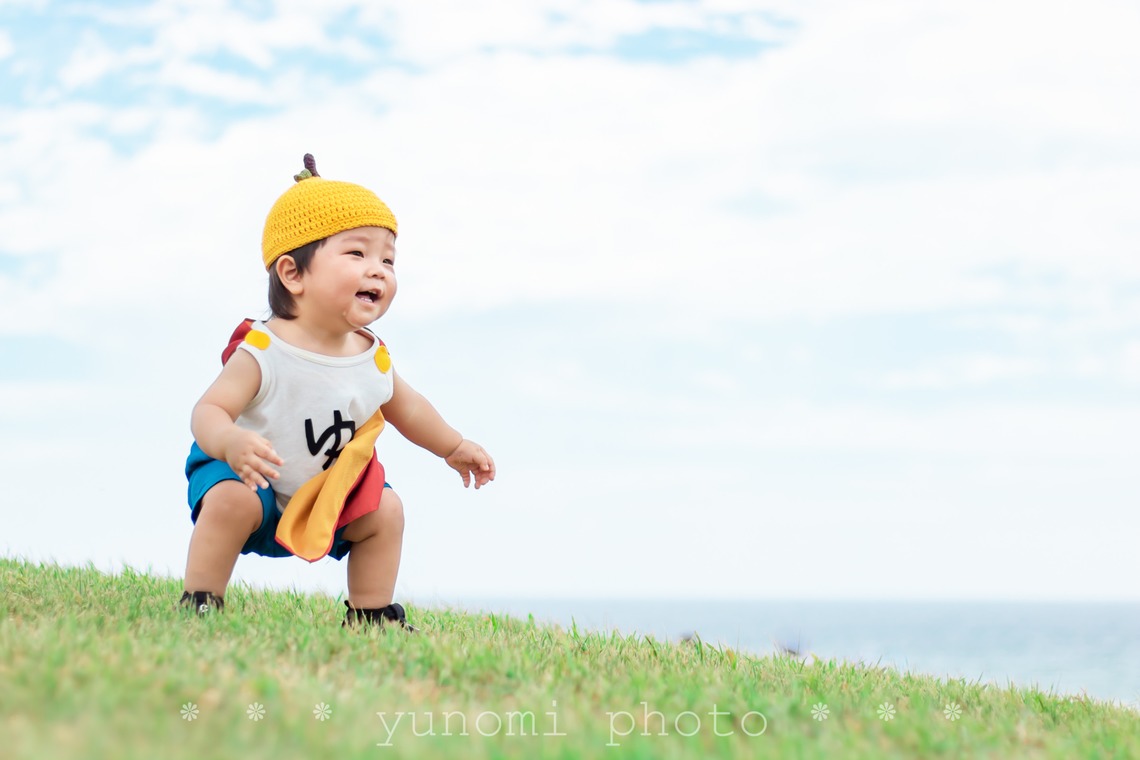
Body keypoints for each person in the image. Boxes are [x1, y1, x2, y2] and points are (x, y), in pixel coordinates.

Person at [180, 154, 495, 630]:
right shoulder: (265, 348)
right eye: (357, 254)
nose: (379, 271)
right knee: (230, 502)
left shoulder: (371, 355)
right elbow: (209, 411)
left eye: (388, 259)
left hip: (325, 491)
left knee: (386, 511)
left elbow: (408, 408)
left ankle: (370, 614)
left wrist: (453, 446)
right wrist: (230, 442)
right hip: (252, 480)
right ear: (293, 274)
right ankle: (202, 601)